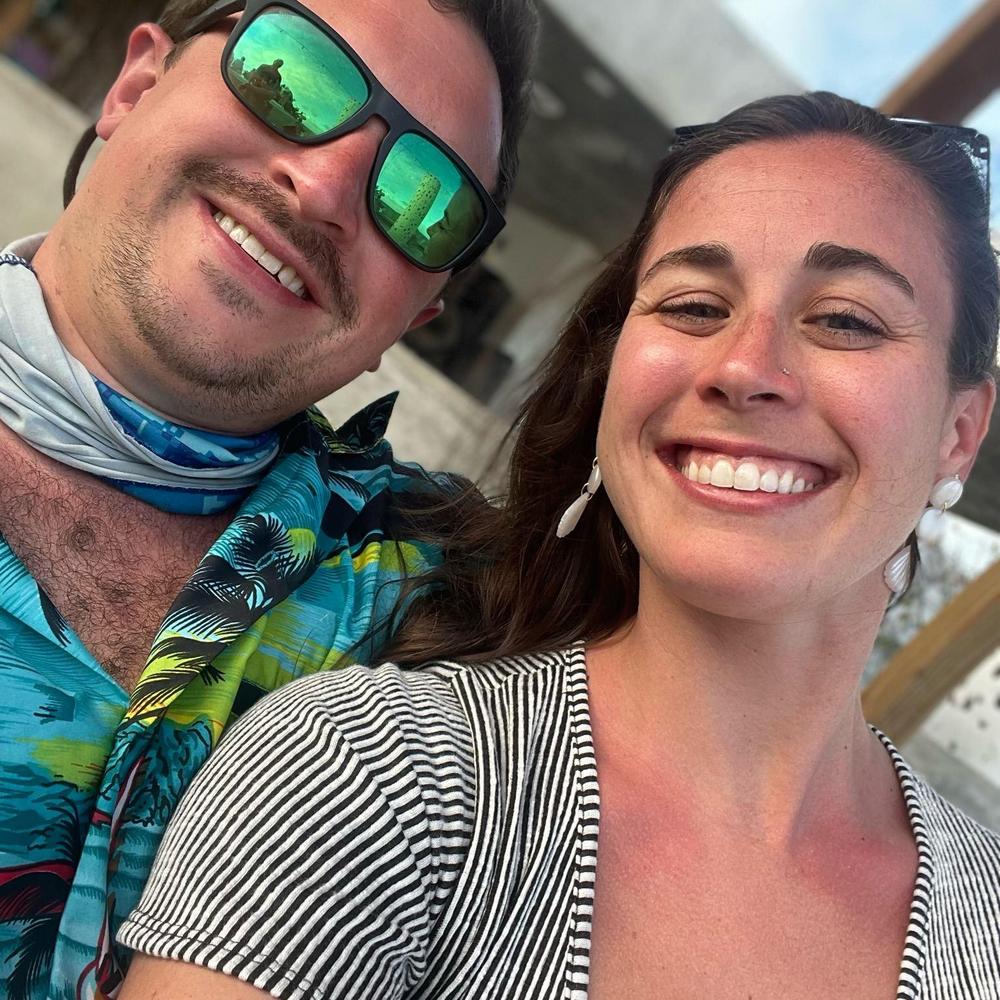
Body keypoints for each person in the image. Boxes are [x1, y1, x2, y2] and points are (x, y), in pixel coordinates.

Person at [118, 92, 999, 999]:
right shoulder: (364, 777)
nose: (743, 368)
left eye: (846, 320)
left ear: (959, 433)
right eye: (695, 305)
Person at [0, 0, 539, 997]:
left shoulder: (454, 606)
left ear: (415, 316)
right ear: (136, 85)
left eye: (422, 199)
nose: (325, 187)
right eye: (293, 72)